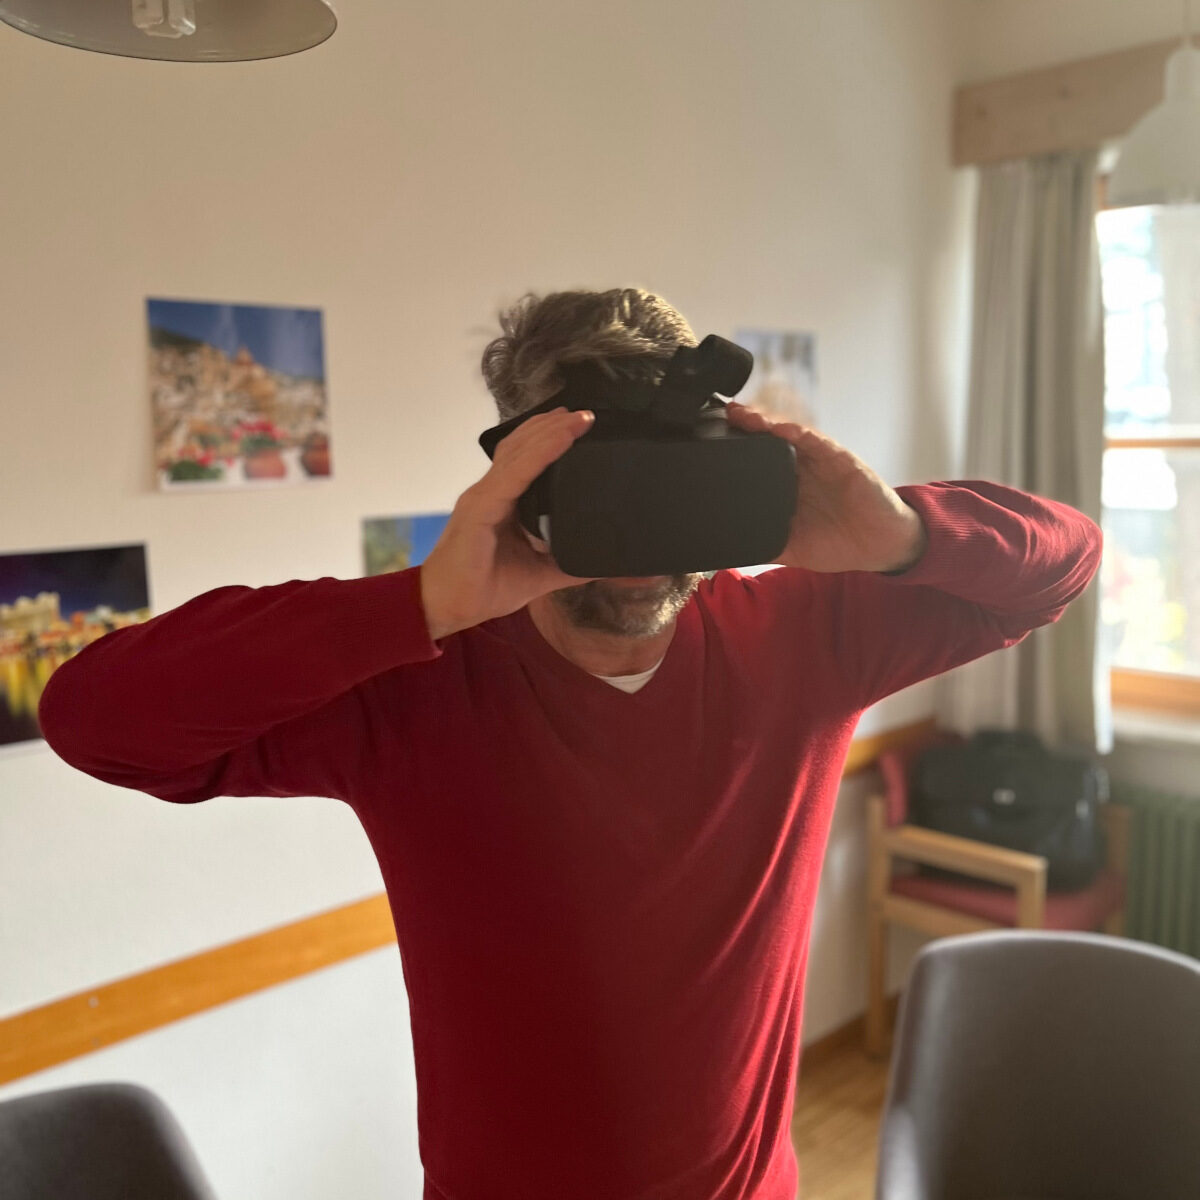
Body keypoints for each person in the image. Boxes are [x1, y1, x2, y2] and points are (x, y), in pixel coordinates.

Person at [38, 288, 1103, 1200]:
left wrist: (901, 536)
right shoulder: (414, 676)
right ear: (521, 471)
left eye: (667, 489)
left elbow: (1064, 562)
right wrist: (420, 602)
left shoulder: (806, 637)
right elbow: (92, 719)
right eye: (599, 488)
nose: (639, 555)